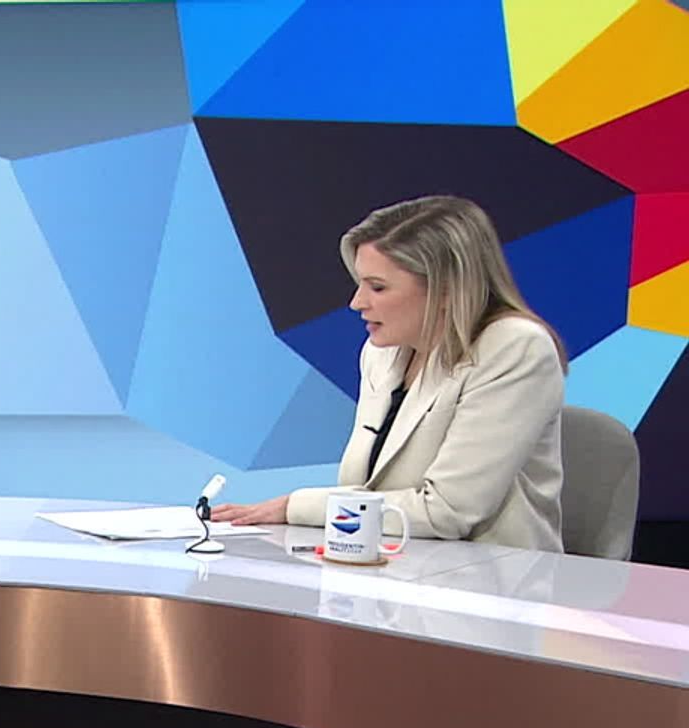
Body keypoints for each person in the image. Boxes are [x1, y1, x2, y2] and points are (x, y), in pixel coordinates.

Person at [212, 195, 565, 551]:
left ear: (446, 290)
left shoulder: (514, 347)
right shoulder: (382, 352)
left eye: (377, 287)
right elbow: (366, 488)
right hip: (390, 563)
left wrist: (296, 507)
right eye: (360, 283)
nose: (357, 302)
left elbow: (447, 511)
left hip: (494, 574)